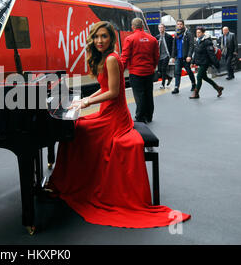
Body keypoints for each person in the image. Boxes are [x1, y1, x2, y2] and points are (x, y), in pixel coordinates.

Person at [46, 21, 191, 228]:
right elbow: (104, 87)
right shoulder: (105, 58)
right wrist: (83, 99)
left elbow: (113, 93)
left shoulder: (112, 59)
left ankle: (73, 182)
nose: (99, 41)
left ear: (111, 39)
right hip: (108, 111)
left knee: (77, 129)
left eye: (104, 36)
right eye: (96, 37)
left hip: (115, 118)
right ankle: (73, 180)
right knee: (76, 127)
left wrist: (86, 102)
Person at [121, 18, 159, 123]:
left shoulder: (130, 39)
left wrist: (121, 71)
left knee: (139, 95)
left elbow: (125, 57)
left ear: (133, 27)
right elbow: (156, 56)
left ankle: (140, 117)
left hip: (136, 73)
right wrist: (153, 67)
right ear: (142, 26)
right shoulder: (152, 39)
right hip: (149, 72)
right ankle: (149, 116)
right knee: (148, 94)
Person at [190, 27, 224, 99]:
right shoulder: (197, 41)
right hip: (200, 62)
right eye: (197, 32)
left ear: (203, 33)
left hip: (205, 62)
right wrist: (193, 62)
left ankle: (196, 93)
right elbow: (196, 53)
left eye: (199, 32)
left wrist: (216, 64)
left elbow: (211, 54)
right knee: (204, 77)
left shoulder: (207, 42)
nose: (197, 34)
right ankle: (218, 88)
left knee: (199, 77)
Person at [170, 19, 196, 94]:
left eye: (181, 24)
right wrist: (172, 56)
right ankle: (176, 87)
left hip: (185, 57)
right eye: (178, 24)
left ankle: (194, 84)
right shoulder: (176, 34)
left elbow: (191, 45)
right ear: (176, 25)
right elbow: (174, 46)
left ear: (183, 25)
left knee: (188, 71)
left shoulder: (188, 33)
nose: (179, 26)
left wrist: (189, 56)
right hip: (178, 57)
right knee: (177, 72)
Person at [155, 23, 174, 89]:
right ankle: (169, 77)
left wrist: (172, 56)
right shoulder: (157, 37)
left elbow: (172, 46)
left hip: (166, 55)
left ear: (164, 28)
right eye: (159, 28)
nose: (160, 29)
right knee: (159, 70)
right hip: (159, 56)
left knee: (163, 69)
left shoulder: (168, 36)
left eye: (162, 27)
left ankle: (162, 84)